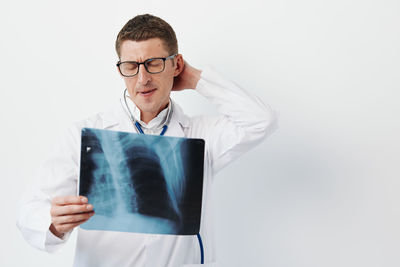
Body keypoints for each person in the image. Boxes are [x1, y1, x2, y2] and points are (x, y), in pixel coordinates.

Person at [17, 14, 278, 267]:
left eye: (154, 63)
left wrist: (196, 79)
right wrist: (53, 223)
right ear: (120, 69)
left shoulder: (201, 135)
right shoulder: (85, 133)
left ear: (176, 65)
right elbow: (30, 208)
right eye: (131, 66)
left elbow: (261, 119)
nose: (143, 79)